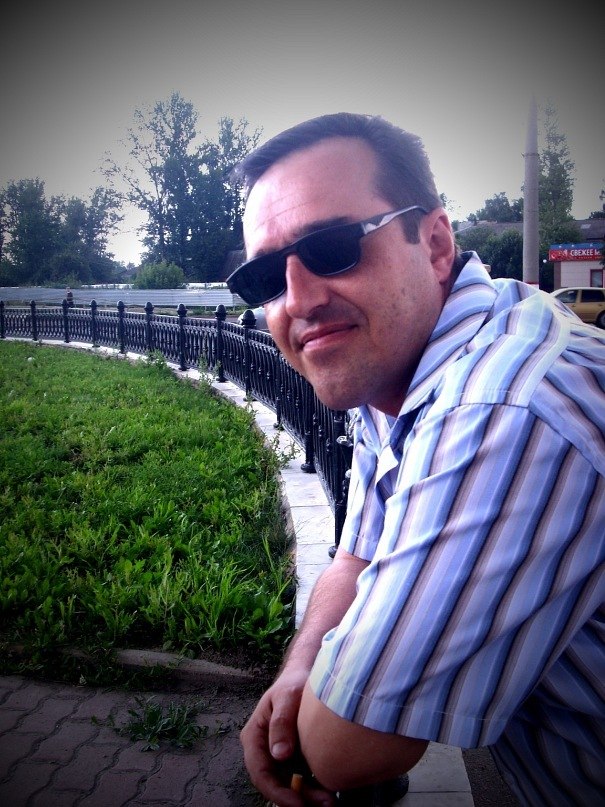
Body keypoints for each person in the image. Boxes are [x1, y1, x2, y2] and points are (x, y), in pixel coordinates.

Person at [227, 113, 605, 807]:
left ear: (433, 244)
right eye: (265, 279)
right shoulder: (406, 359)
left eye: (334, 248)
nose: (298, 300)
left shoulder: (503, 408)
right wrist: (301, 665)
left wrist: (320, 695)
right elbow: (355, 555)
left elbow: (347, 745)